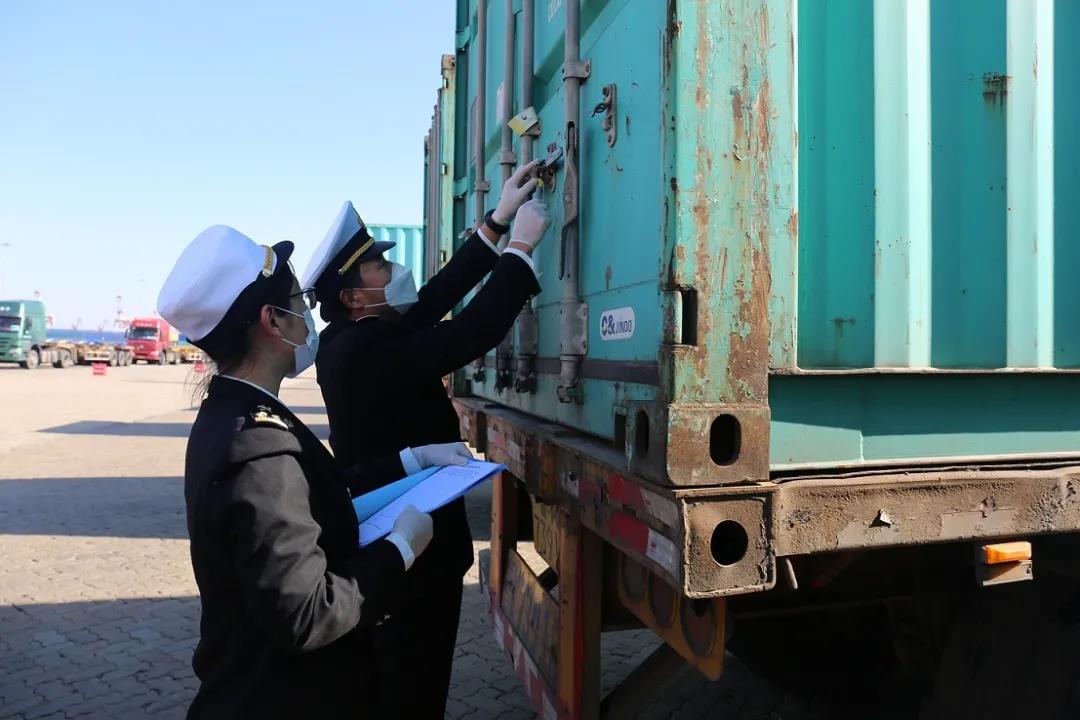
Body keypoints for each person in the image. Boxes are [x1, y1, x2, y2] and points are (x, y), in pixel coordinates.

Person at [299, 161, 551, 717]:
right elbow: (470, 333)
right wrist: (521, 250)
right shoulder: (364, 351)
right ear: (353, 298)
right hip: (410, 557)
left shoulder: (355, 336)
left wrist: (497, 221)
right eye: (379, 266)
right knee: (413, 686)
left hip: (412, 547)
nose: (395, 270)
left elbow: (434, 299)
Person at [157, 225, 440, 719]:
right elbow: (308, 614)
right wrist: (399, 551)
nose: (307, 315)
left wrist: (411, 462)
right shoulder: (257, 446)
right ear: (272, 320)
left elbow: (309, 495)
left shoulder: (234, 412)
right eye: (297, 302)